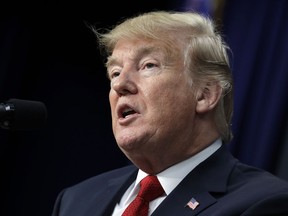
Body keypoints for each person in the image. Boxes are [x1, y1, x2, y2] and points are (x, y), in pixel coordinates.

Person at [51, 10, 288, 216]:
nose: (119, 85)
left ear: (205, 95)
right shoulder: (75, 200)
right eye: (114, 72)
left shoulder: (263, 202)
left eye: (148, 65)